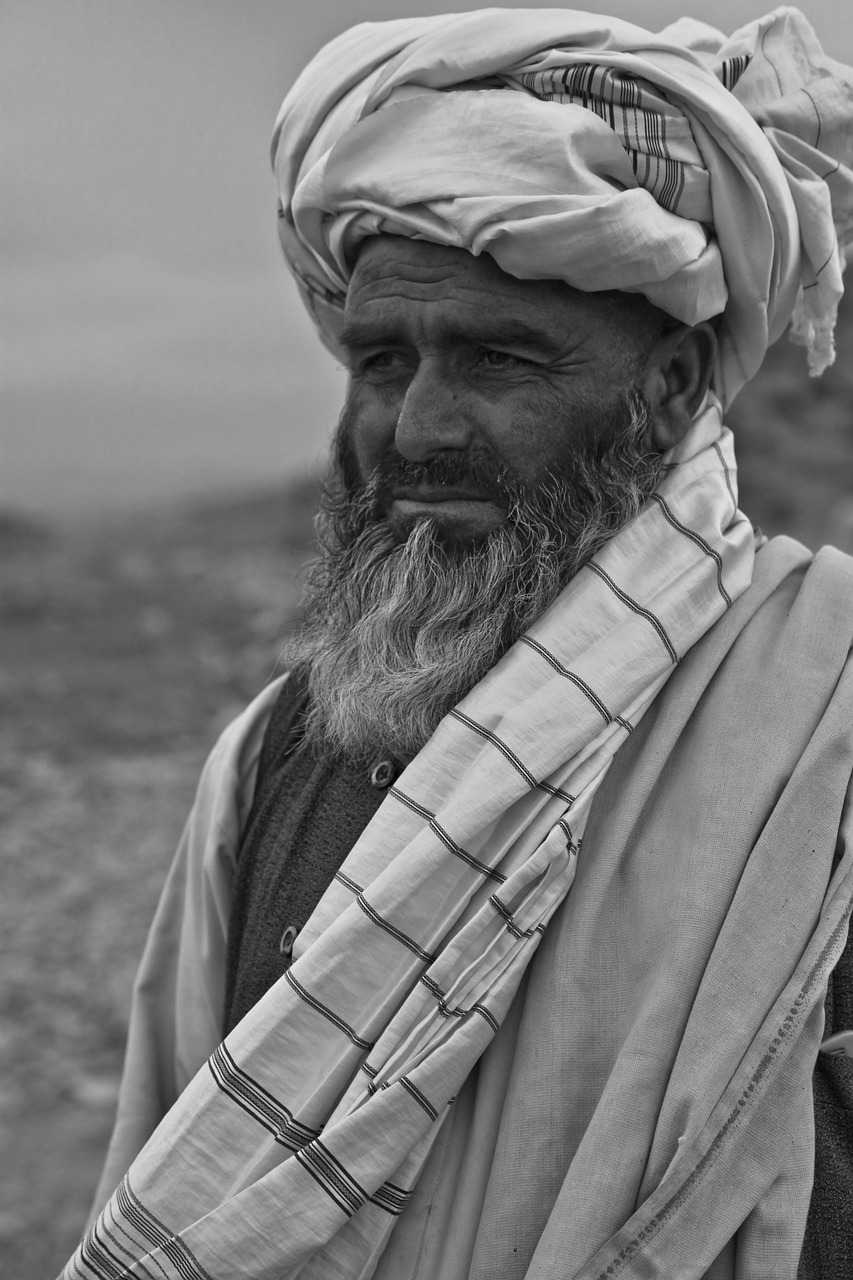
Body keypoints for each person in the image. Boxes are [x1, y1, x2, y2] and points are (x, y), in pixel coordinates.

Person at [62, 8, 853, 1279]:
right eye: (382, 359)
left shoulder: (824, 713)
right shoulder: (269, 757)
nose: (418, 425)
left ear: (665, 389)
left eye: (497, 356)